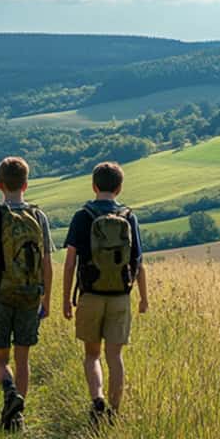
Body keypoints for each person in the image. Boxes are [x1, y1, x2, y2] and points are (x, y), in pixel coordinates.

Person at [61, 161, 148, 425]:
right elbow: (138, 262)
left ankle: (97, 400)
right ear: (119, 187)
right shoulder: (128, 217)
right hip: (121, 295)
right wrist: (144, 297)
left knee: (92, 355)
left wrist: (66, 299)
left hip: (90, 294)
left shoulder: (82, 216)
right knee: (115, 356)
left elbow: (70, 262)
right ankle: (114, 411)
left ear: (94, 186)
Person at [0, 156, 53, 432]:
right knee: (23, 359)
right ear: (26, 184)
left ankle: (9, 392)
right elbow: (46, 261)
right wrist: (47, 298)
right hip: (31, 294)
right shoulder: (38, 216)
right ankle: (17, 417)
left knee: (0, 359)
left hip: (1, 293)